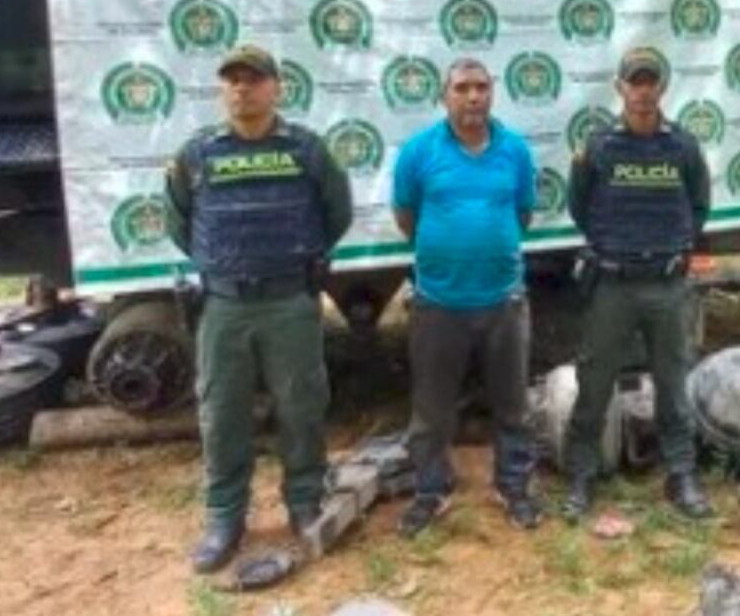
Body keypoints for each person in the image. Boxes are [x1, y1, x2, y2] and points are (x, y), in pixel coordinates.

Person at [164, 43, 353, 573]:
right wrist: (221, 262)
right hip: (224, 307)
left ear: (276, 88)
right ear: (222, 89)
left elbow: (335, 213)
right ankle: (225, 518)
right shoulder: (197, 153)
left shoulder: (307, 150)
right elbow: (179, 221)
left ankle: (303, 501)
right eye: (232, 80)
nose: (242, 88)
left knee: (302, 406)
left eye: (253, 78)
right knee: (222, 415)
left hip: (289, 301)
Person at [392, 57, 543, 536]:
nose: (473, 96)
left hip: (504, 301)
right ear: (445, 96)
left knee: (512, 405)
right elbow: (406, 218)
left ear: (492, 93)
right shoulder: (418, 152)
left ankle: (514, 485)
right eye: (462, 88)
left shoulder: (514, 151)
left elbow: (522, 215)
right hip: (438, 303)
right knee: (432, 408)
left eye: (481, 87)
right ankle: (432, 489)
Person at [561, 46, 712, 521]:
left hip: (666, 287)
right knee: (594, 382)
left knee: (673, 382)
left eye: (650, 82)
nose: (642, 91)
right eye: (634, 82)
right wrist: (615, 244)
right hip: (613, 285)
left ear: (662, 88)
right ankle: (582, 475)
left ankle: (681, 474)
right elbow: (579, 206)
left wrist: (672, 245)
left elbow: (699, 205)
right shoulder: (600, 146)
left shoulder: (684, 147)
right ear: (620, 88)